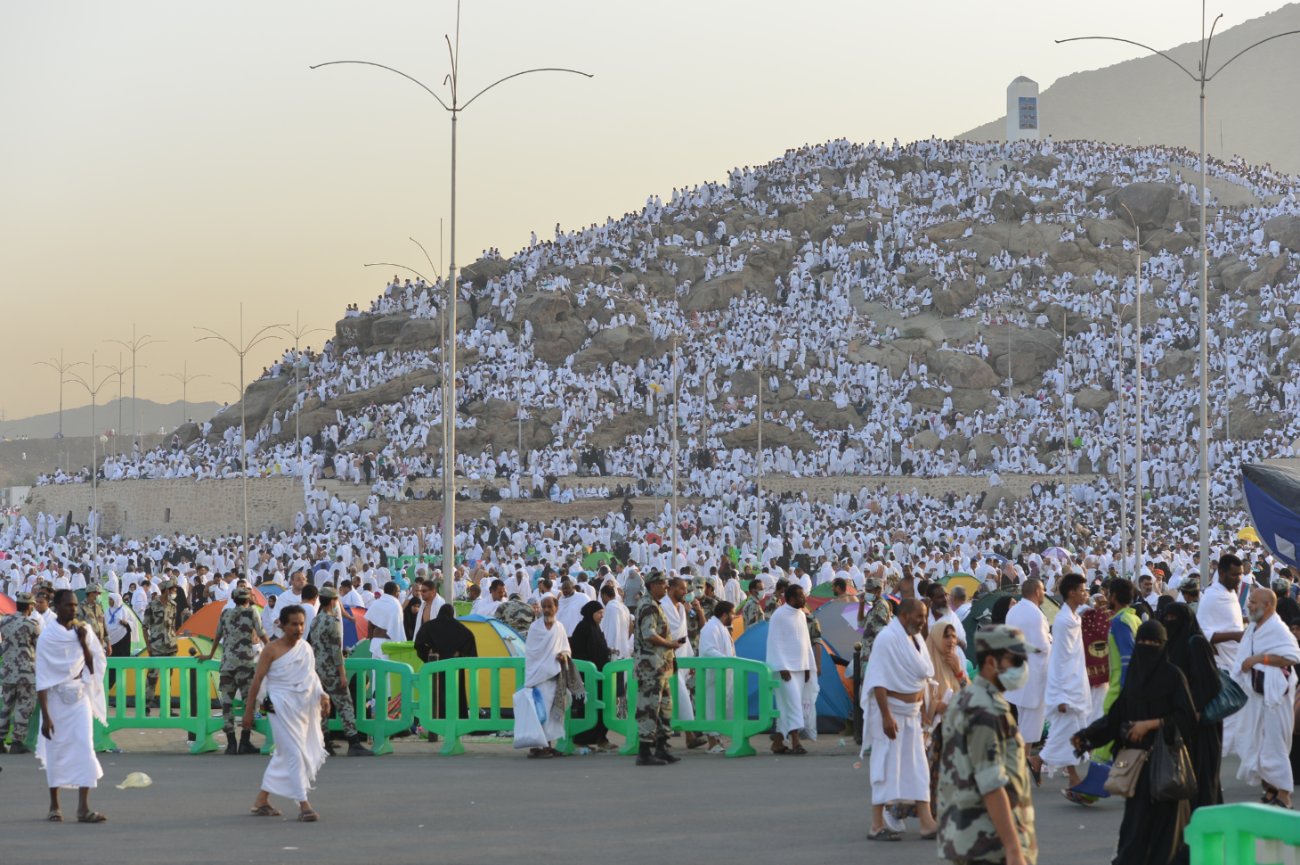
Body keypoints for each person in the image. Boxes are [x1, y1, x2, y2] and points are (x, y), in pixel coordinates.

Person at [1072, 621, 1197, 865]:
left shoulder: (1174, 676)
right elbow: (1117, 716)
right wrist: (1088, 736)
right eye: (1142, 643)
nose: (1148, 648)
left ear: (1164, 646)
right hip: (1138, 769)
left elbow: (1187, 719)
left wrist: (1150, 724)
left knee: (1167, 834)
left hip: (1166, 766)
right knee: (1135, 831)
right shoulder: (1135, 677)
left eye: (1154, 644)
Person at [937, 625, 1036, 865]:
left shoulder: (968, 697)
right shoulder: (985, 709)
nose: (1022, 666)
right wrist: (1013, 848)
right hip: (989, 844)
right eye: (1015, 660)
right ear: (992, 662)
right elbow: (991, 783)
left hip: (967, 836)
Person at [243, 604, 329, 822]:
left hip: (301, 707)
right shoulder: (271, 650)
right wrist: (249, 712)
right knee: (294, 753)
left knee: (284, 754)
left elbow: (311, 678)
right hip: (276, 705)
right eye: (294, 624)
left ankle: (261, 800)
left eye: (301, 624)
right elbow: (257, 681)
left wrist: (323, 695)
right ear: (282, 625)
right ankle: (304, 805)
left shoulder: (306, 648)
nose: (299, 629)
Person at [862, 598, 937, 841]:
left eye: (925, 616)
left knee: (918, 768)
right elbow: (877, 679)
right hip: (892, 714)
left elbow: (923, 676)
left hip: (913, 714)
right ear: (904, 615)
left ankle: (927, 822)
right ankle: (876, 825)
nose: (923, 621)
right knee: (885, 767)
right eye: (919, 616)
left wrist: (924, 709)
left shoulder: (914, 638)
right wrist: (886, 716)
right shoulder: (887, 638)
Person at [35, 589, 107, 823]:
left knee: (85, 748)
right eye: (68, 605)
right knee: (56, 750)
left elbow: (94, 663)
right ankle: (54, 806)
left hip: (79, 698)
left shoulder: (83, 630)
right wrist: (45, 717)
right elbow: (42, 679)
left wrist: (82, 642)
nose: (73, 609)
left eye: (75, 605)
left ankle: (83, 808)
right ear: (56, 607)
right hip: (55, 700)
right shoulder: (48, 637)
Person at [1234, 587, 1300, 808]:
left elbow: (1292, 656)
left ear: (1269, 606)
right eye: (1250, 601)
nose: (1249, 605)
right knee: (1259, 742)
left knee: (1275, 744)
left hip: (1275, 697)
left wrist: (1258, 659)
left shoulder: (1278, 629)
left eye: (1253, 602)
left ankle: (1284, 794)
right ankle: (1271, 787)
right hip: (1256, 696)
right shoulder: (1253, 628)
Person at [1160, 601, 1223, 808]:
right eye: (1166, 618)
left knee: (1203, 772)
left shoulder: (1196, 643)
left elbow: (1209, 682)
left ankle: (1206, 822)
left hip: (1202, 721)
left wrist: (1195, 708)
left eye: (1174, 619)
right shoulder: (1169, 644)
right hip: (1182, 719)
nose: (1170, 623)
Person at [1039, 574, 1091, 793]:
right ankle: (1073, 777)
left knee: (1067, 732)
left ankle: (1037, 761)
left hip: (1075, 685)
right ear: (1071, 592)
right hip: (1065, 688)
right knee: (1067, 732)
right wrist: (1060, 695)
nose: (1085, 593)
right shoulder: (1062, 621)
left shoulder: (1073, 617)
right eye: (1082, 590)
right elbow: (1060, 660)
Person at [200, 585, 267, 755]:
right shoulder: (252, 612)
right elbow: (262, 633)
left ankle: (231, 744)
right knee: (249, 704)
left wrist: (209, 655)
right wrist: (273, 650)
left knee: (227, 706)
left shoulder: (225, 614)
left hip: (227, 666)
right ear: (247, 599)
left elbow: (217, 636)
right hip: (245, 665)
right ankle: (244, 741)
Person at [308, 586, 373, 757]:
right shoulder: (332, 621)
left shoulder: (315, 621)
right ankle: (353, 742)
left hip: (317, 669)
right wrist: (342, 673)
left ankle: (324, 742)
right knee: (345, 704)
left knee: (322, 705)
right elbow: (336, 651)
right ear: (332, 602)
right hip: (331, 670)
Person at [520, 595, 579, 758]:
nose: (546, 610)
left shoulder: (560, 627)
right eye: (543, 606)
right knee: (539, 712)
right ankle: (537, 746)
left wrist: (563, 656)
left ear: (556, 608)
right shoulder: (535, 628)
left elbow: (566, 649)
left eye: (549, 606)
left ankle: (547, 744)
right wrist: (544, 665)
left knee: (552, 715)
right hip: (538, 677)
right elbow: (531, 652)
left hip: (554, 677)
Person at [1198, 555, 1245, 755]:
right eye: (1235, 575)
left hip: (1237, 660)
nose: (1239, 578)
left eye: (1241, 574)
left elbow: (1230, 621)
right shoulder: (1212, 596)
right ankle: (1220, 755)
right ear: (1222, 573)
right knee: (1227, 711)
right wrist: (1236, 635)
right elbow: (1203, 633)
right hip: (1222, 664)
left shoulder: (1231, 594)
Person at [632, 570, 678, 766]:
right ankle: (645, 751)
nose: (666, 587)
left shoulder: (654, 605)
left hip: (660, 666)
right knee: (649, 708)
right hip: (651, 667)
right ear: (652, 586)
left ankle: (662, 747)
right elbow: (649, 634)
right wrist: (669, 645)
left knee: (664, 707)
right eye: (662, 584)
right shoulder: (649, 606)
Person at [767, 584, 819, 756]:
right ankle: (796, 742)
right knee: (794, 705)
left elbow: (804, 644)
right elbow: (775, 642)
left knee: (786, 707)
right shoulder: (779, 615)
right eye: (799, 596)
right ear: (789, 598)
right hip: (785, 670)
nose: (803, 599)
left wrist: (807, 668)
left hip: (800, 668)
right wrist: (782, 667)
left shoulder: (802, 616)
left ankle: (778, 742)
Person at [1004, 579, 1049, 758]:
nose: (1045, 593)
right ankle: (1020, 765)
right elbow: (1041, 646)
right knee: (1029, 728)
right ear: (1037, 591)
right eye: (1043, 590)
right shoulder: (1035, 614)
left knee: (1024, 723)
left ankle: (1022, 764)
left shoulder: (1013, 610)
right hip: (1032, 677)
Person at [414, 605, 477, 721]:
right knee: (455, 692)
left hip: (435, 665)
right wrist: (460, 653)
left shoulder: (429, 626)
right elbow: (470, 638)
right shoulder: (460, 628)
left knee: (436, 692)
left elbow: (418, 643)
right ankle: (456, 718)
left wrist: (428, 654)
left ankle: (436, 718)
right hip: (455, 667)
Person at [568, 600, 612, 750]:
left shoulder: (596, 628)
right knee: (587, 708)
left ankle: (600, 738)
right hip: (587, 676)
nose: (601, 616)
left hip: (599, 674)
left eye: (602, 613)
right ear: (590, 613)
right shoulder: (583, 628)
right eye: (599, 613)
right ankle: (581, 739)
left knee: (600, 707)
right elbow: (578, 652)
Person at [0, 592, 40, 755]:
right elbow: (40, 648)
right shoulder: (32, 624)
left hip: (8, 671)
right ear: (30, 606)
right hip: (26, 673)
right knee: (24, 707)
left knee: (6, 706)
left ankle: (0, 740)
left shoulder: (4, 622)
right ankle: (17, 741)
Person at [698, 600, 737, 754]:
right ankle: (712, 742)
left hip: (724, 675)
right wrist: (727, 661)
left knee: (721, 707)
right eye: (732, 613)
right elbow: (708, 651)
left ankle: (718, 740)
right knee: (712, 708)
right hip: (714, 675)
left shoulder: (721, 627)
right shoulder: (710, 628)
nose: (734, 616)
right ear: (724, 614)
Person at [142, 580, 178, 711]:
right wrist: (148, 646)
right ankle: (146, 706)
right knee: (152, 677)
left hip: (171, 646)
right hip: (156, 646)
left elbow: (173, 625)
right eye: (172, 589)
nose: (174, 592)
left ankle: (167, 708)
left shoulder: (173, 605)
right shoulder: (151, 606)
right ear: (166, 590)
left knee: (168, 677)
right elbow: (145, 627)